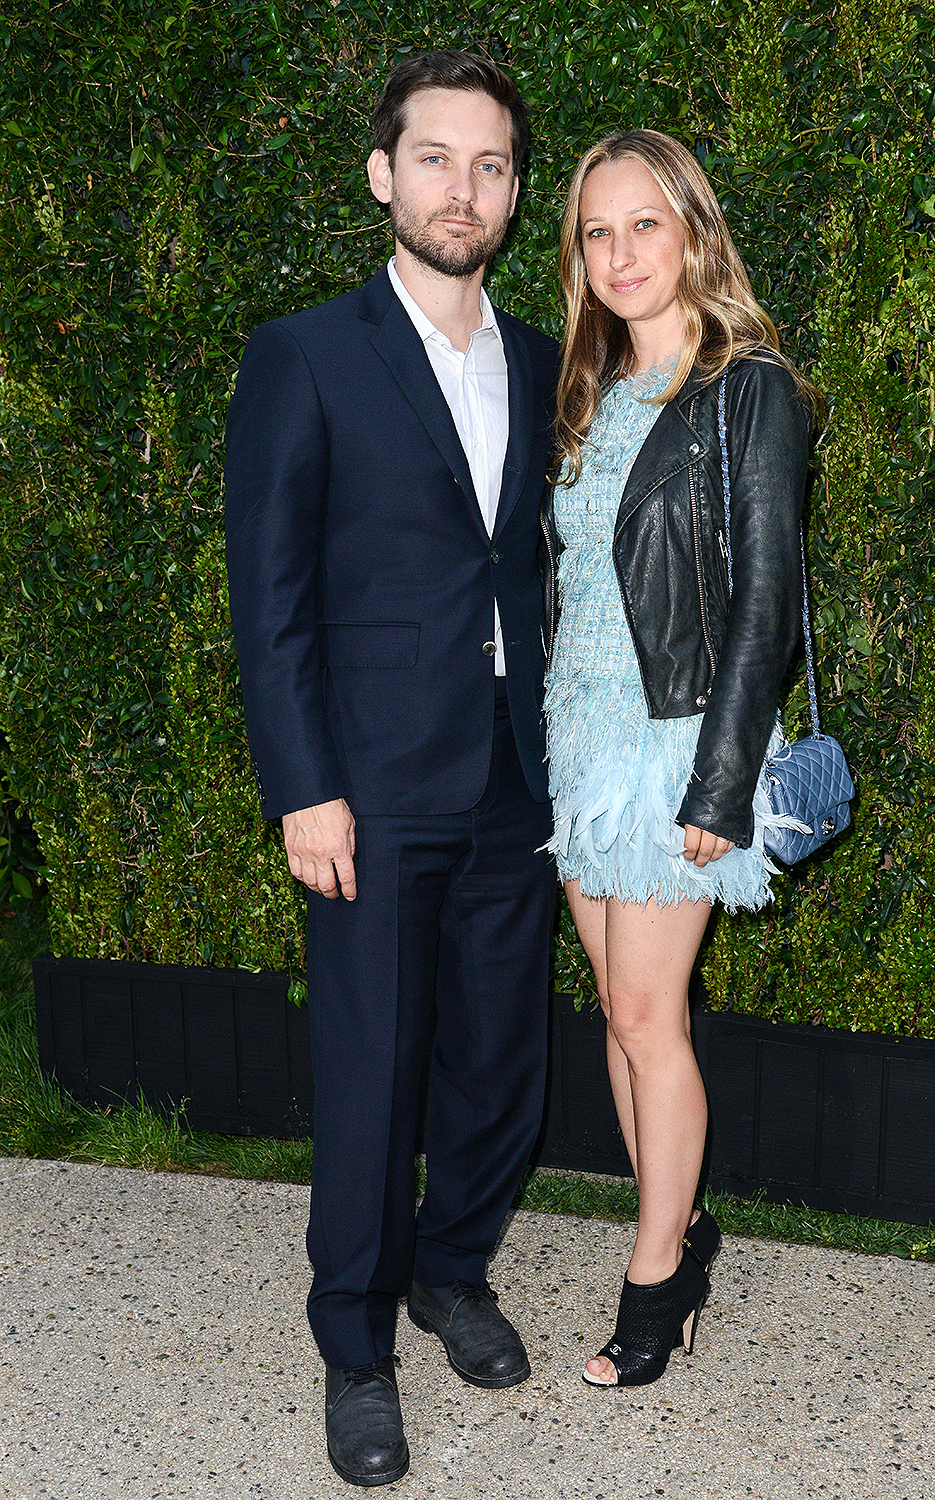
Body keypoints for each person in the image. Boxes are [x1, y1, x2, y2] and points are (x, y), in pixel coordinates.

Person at [224, 51, 558, 1486]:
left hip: (515, 775)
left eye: (488, 165)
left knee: (498, 1061)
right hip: (366, 781)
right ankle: (355, 1348)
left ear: (514, 192)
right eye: (435, 159)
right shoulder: (305, 355)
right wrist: (304, 785)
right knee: (372, 1071)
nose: (461, 189)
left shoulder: (546, 360)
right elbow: (271, 590)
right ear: (383, 173)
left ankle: (451, 1271)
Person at [540, 130, 818, 1388]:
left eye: (642, 224)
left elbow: (764, 603)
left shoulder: (746, 387)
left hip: (673, 745)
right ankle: (676, 1220)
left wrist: (720, 782)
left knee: (652, 1018)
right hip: (576, 732)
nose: (619, 253)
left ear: (693, 230)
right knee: (617, 1011)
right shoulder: (586, 391)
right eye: (597, 232)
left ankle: (658, 1282)